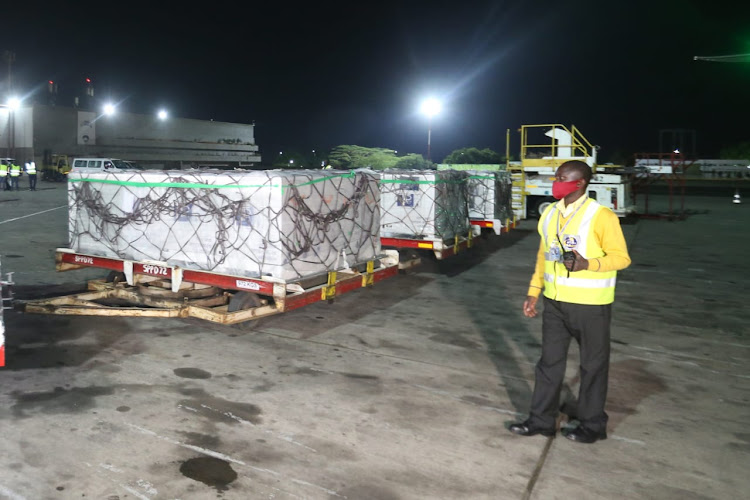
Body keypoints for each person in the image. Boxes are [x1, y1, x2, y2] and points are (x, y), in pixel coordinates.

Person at [509, 160, 631, 444]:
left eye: (563, 177)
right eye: (556, 176)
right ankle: (541, 421)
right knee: (549, 363)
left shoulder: (601, 216)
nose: (556, 181)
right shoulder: (550, 213)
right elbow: (544, 255)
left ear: (580, 183)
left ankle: (592, 425)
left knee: (592, 365)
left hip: (591, 305)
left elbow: (621, 257)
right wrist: (533, 290)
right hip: (554, 303)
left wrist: (589, 263)